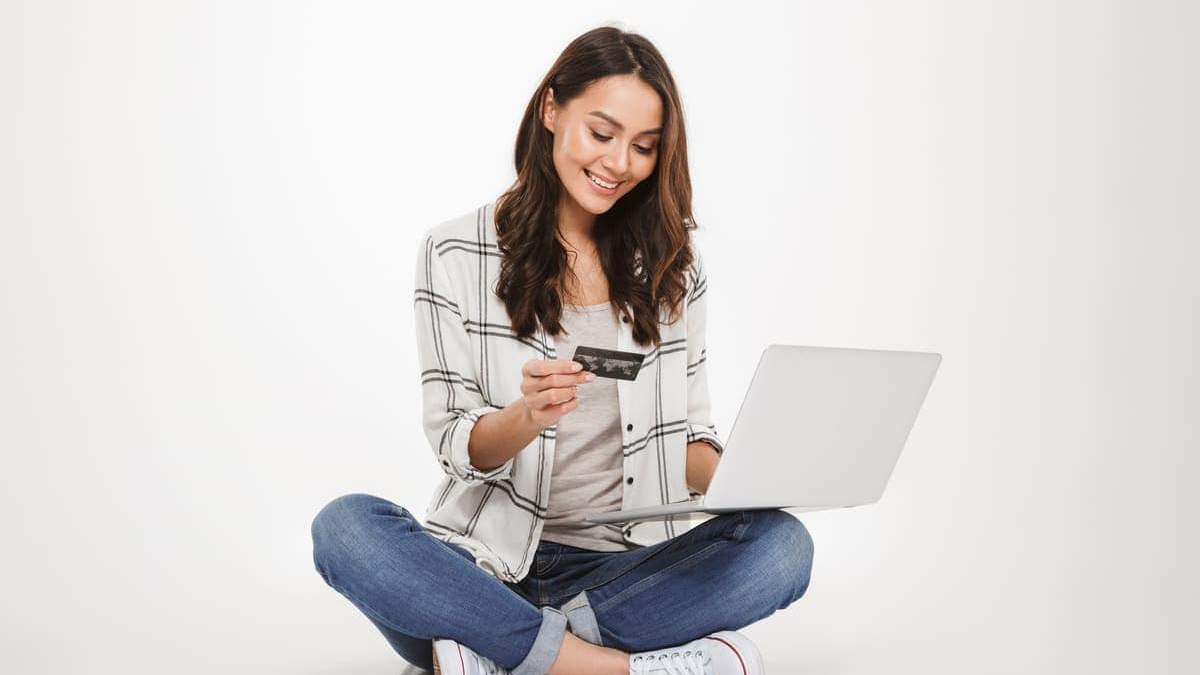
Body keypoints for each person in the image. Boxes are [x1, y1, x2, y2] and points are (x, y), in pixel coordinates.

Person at [311, 25, 814, 675]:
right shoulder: (455, 252)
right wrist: (526, 416)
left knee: (783, 547)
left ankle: (492, 648)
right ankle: (607, 666)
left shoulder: (673, 273)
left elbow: (687, 439)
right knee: (345, 527)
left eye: (643, 147)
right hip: (482, 560)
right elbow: (455, 443)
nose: (618, 163)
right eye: (602, 134)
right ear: (551, 110)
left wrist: (760, 477)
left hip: (622, 571)